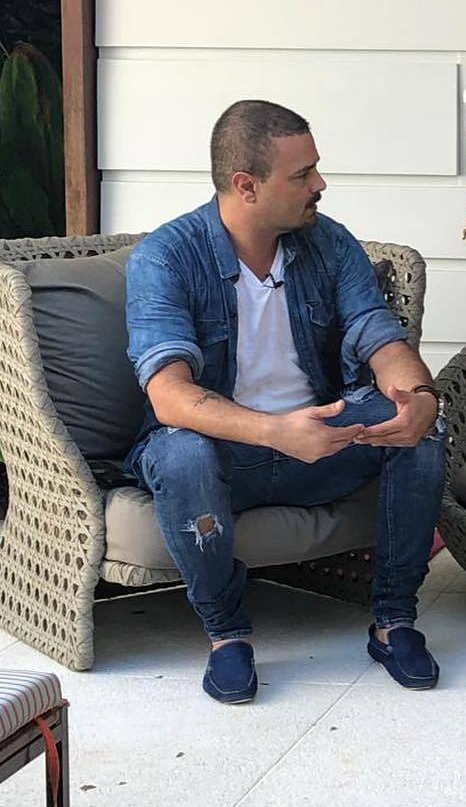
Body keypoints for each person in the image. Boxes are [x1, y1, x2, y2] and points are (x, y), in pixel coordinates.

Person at [124, 100, 446, 704]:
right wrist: (276, 432)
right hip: (227, 452)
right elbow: (169, 397)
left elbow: (379, 335)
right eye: (302, 175)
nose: (320, 184)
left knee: (419, 430)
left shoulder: (328, 242)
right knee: (181, 454)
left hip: (323, 438)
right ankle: (226, 635)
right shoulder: (166, 257)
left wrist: (419, 396)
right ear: (246, 185)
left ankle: (394, 621)